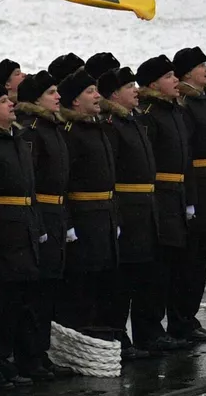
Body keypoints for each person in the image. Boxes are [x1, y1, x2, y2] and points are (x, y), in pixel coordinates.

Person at [0, 82, 39, 382]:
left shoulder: (17, 139)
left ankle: (13, 357)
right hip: (3, 229)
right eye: (3, 101)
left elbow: (29, 188)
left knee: (20, 298)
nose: (11, 103)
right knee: (0, 301)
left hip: (23, 226)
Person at [102, 64, 164, 357]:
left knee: (144, 274)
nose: (137, 91)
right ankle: (119, 337)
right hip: (128, 210)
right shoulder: (113, 124)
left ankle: (145, 333)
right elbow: (110, 174)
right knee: (122, 280)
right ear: (115, 94)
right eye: (130, 87)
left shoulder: (135, 120)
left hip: (145, 208)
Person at [58, 68, 121, 344]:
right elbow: (65, 183)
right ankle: (78, 343)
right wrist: (69, 223)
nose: (97, 96)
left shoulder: (98, 127)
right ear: (74, 101)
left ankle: (98, 339)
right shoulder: (71, 133)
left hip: (104, 216)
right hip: (84, 219)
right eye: (90, 92)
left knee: (102, 282)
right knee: (81, 284)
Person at [136, 54, 193, 348]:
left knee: (172, 265)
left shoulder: (175, 111)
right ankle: (149, 330)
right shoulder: (149, 113)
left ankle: (165, 326)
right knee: (155, 268)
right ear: (153, 83)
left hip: (176, 196)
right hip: (158, 198)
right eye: (169, 76)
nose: (175, 80)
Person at [19, 71, 72, 377]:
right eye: (52, 92)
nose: (58, 96)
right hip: (42, 216)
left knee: (50, 288)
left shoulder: (53, 128)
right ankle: (30, 355)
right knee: (37, 293)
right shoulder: (33, 131)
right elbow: (31, 183)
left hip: (57, 215)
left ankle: (41, 353)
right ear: (36, 99)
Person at [177, 46, 206, 341]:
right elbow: (186, 152)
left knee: (202, 254)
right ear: (187, 73)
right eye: (201, 66)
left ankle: (189, 317)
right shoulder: (186, 105)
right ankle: (180, 318)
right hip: (198, 187)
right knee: (189, 257)